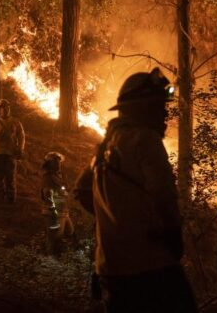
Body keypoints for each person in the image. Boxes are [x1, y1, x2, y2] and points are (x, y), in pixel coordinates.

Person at [74, 68, 197, 313]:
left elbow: (82, 190)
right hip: (151, 265)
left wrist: (115, 223)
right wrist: (173, 236)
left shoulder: (106, 144)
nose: (164, 114)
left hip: (111, 269)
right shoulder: (145, 140)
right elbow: (164, 196)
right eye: (159, 107)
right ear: (142, 108)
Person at [0, 99, 25, 204]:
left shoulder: (16, 122)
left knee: (10, 178)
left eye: (7, 107)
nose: (6, 109)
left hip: (10, 155)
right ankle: (0, 200)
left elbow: (21, 136)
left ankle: (10, 201)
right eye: (3, 107)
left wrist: (20, 149)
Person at [40, 151, 75, 254]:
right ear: (50, 164)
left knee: (70, 233)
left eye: (59, 162)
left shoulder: (57, 176)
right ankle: (50, 264)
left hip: (63, 211)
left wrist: (65, 189)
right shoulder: (48, 177)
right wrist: (54, 212)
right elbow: (47, 194)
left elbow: (62, 190)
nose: (59, 164)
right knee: (53, 242)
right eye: (56, 162)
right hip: (54, 213)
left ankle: (62, 257)